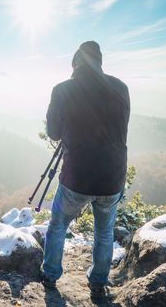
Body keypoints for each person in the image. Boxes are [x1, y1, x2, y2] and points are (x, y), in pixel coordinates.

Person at [42, 41, 130, 302]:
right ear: (99, 62)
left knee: (58, 225)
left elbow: (54, 132)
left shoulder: (63, 90)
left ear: (75, 64)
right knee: (104, 231)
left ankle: (50, 276)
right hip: (112, 177)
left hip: (77, 176)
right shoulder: (121, 88)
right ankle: (98, 283)